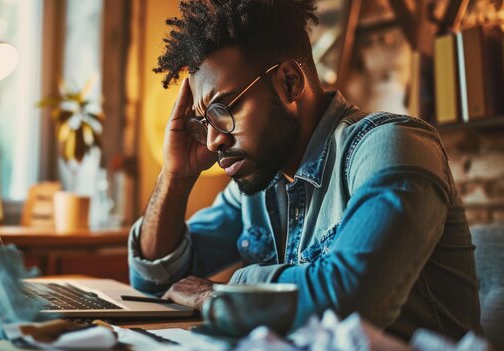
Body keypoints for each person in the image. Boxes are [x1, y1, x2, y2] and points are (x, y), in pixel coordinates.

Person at [127, 0, 481, 341]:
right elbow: (155, 281)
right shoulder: (261, 180)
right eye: (203, 122)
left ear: (289, 82)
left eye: (223, 109)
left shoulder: (392, 146)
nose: (213, 140)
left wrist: (223, 292)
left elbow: (351, 301)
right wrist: (175, 175)